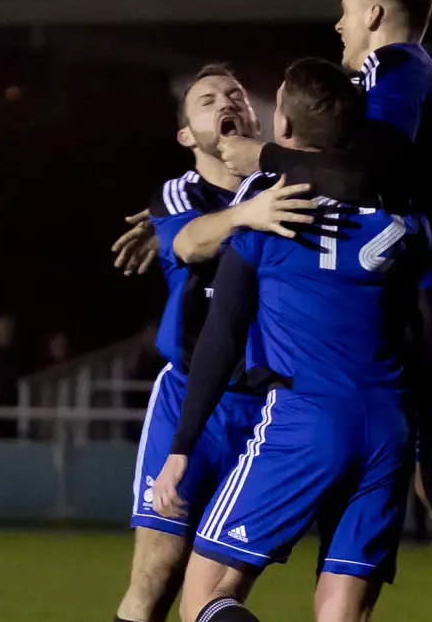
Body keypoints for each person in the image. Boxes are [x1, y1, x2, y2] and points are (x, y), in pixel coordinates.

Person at [217, 0, 432, 614]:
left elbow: (363, 175)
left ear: (372, 11)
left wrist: (265, 156)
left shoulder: (396, 67)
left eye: (343, 12)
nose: (337, 26)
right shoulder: (410, 83)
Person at [151, 58, 424, 622]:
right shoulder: (399, 209)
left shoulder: (266, 202)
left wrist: (181, 447)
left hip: (308, 417)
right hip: (390, 423)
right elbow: (424, 326)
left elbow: (222, 335)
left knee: (204, 596)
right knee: (341, 611)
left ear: (285, 132)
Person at [114, 64, 318, 622]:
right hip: (189, 398)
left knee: (217, 594)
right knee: (156, 575)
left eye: (234, 95)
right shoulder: (182, 192)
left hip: (274, 408)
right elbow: (188, 241)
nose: (225, 101)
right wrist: (248, 214)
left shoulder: (295, 187)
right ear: (187, 136)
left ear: (256, 119)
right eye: (205, 100)